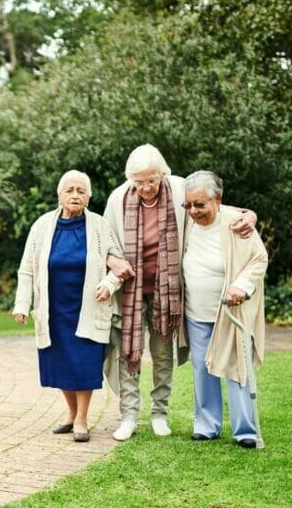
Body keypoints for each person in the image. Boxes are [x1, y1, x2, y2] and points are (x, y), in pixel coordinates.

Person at [103, 144, 257, 441]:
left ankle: (160, 413)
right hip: (131, 290)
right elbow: (105, 241)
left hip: (168, 289)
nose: (146, 187)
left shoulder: (178, 189)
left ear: (163, 173)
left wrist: (250, 215)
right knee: (128, 353)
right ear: (130, 178)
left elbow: (214, 207)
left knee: (162, 354)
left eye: (151, 180)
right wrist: (112, 260)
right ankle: (129, 415)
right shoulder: (118, 198)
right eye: (139, 181)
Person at [12, 170, 124, 443]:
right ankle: (71, 414)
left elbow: (120, 265)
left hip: (87, 307)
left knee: (84, 363)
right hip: (54, 309)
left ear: (89, 197)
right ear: (59, 194)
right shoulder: (41, 225)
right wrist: (22, 303)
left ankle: (83, 419)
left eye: (81, 191)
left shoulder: (98, 226)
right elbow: (27, 268)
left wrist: (108, 285)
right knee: (60, 362)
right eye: (70, 190)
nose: (75, 195)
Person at [181, 171, 267, 448]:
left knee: (236, 367)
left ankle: (245, 431)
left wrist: (241, 286)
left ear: (218, 200)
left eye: (200, 205)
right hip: (196, 311)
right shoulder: (185, 220)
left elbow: (258, 259)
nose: (193, 210)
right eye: (189, 205)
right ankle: (206, 425)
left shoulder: (236, 223)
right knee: (201, 370)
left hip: (229, 311)